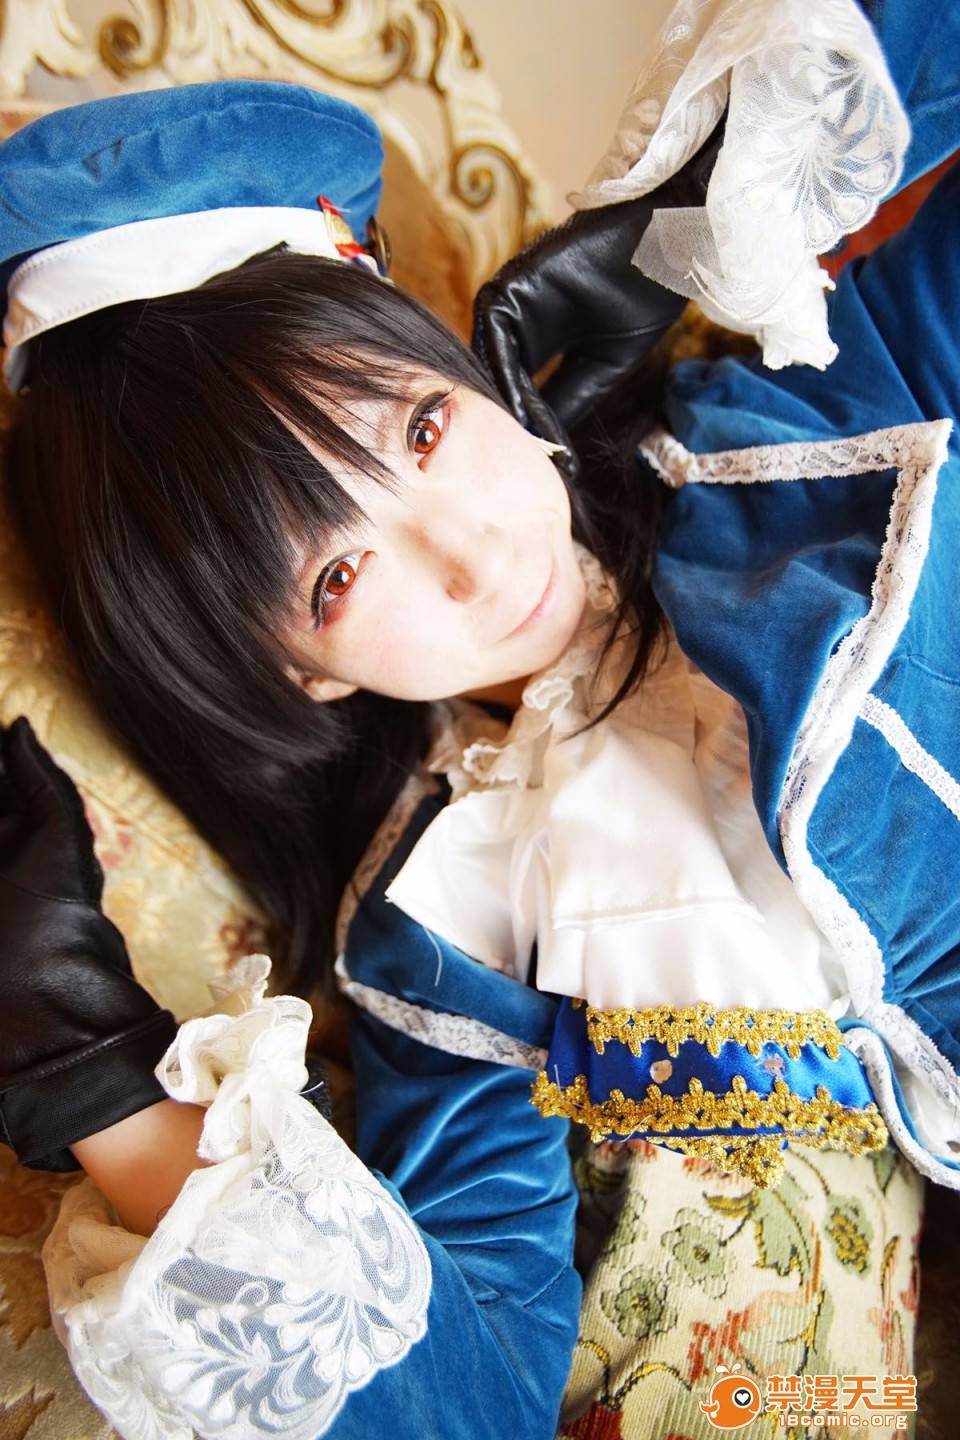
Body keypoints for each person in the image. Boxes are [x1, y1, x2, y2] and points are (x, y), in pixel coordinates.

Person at [0, 0, 957, 1430]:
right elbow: (477, 1393)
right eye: (335, 575)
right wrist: (91, 1081)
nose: (469, 554)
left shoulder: (815, 437)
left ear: (466, 370)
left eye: (422, 428)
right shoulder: (440, 920)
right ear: (299, 676)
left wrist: (700, 196)